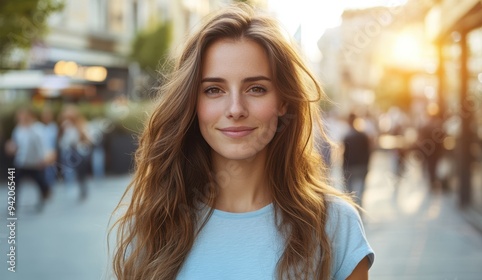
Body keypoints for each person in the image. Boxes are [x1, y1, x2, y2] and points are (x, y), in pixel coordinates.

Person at [111, 4, 374, 280]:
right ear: (192, 103)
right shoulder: (156, 223)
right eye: (214, 90)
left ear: (283, 101)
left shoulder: (334, 224)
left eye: (256, 88)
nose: (235, 109)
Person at [5, 107, 51, 211]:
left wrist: (42, 158)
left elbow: (41, 144)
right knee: (14, 183)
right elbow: (15, 143)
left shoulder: (37, 128)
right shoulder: (18, 129)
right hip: (21, 161)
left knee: (40, 183)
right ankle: (13, 204)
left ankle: (42, 199)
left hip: (34, 162)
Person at [58, 105, 92, 201]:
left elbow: (87, 139)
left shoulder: (81, 125)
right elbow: (62, 141)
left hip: (80, 152)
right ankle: (72, 188)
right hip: (69, 152)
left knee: (81, 173)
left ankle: (82, 188)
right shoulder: (64, 126)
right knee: (70, 171)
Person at [342, 113, 371, 207]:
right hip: (361, 167)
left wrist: (343, 169)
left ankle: (352, 208)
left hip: (350, 167)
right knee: (360, 192)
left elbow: (345, 155)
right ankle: (359, 210)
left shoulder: (347, 136)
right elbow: (368, 153)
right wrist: (367, 166)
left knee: (349, 193)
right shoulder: (363, 136)